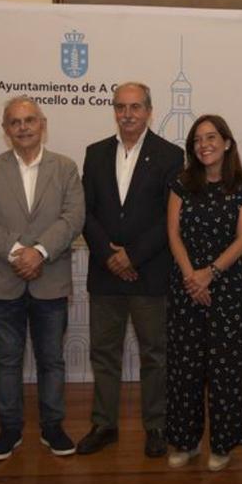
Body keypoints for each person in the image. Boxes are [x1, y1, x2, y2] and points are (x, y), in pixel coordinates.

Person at [0, 96, 85, 461]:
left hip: (50, 279)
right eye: (15, 122)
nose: (23, 127)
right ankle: (9, 429)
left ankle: (52, 427)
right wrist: (19, 252)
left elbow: (73, 217)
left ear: (42, 124)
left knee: (52, 360)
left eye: (30, 120)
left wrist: (40, 253)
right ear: (5, 130)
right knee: (6, 361)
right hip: (3, 279)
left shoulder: (65, 168)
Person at [77, 83, 184, 458]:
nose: (128, 114)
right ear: (114, 111)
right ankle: (104, 424)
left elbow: (170, 217)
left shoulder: (171, 155)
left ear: (149, 110)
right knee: (104, 354)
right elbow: (84, 212)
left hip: (149, 272)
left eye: (135, 107)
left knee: (155, 354)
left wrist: (132, 256)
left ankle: (156, 425)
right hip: (105, 273)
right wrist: (110, 254)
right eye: (121, 107)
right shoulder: (95, 153)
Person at [165, 114, 242, 472]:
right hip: (184, 287)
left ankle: (222, 445)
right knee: (184, 369)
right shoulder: (181, 184)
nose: (203, 145)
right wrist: (192, 277)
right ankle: (186, 442)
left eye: (211, 138)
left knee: (225, 371)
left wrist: (210, 274)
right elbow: (173, 234)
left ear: (227, 143)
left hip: (227, 292)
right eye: (197, 140)